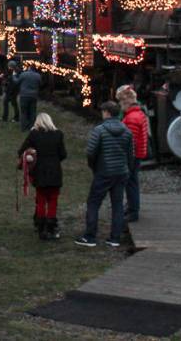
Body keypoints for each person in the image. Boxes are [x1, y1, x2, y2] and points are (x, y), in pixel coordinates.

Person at [75, 102, 133, 248]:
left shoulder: (99, 130)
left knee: (93, 203)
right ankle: (115, 238)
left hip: (104, 171)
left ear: (107, 112)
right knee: (117, 205)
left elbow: (91, 152)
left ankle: (90, 236)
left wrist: (94, 166)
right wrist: (127, 168)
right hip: (121, 171)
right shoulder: (127, 131)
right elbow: (130, 154)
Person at [17, 113, 67, 240]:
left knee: (41, 199)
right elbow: (63, 154)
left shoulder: (34, 135)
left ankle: (40, 227)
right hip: (55, 171)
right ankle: (51, 226)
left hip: (39, 171)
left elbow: (21, 151)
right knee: (53, 200)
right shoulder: (58, 134)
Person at [118, 85, 150, 223]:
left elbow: (130, 141)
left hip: (132, 155)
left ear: (126, 102)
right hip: (138, 153)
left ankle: (133, 211)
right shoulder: (139, 114)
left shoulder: (131, 118)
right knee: (132, 182)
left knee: (130, 183)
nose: (120, 106)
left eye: (120, 102)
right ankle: (132, 207)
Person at [15, 64, 43, 132]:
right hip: (33, 96)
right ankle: (32, 127)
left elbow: (17, 82)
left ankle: (23, 127)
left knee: (24, 112)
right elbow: (40, 84)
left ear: (29, 68)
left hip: (24, 95)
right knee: (32, 112)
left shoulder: (23, 74)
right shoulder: (38, 75)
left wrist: (13, 77)